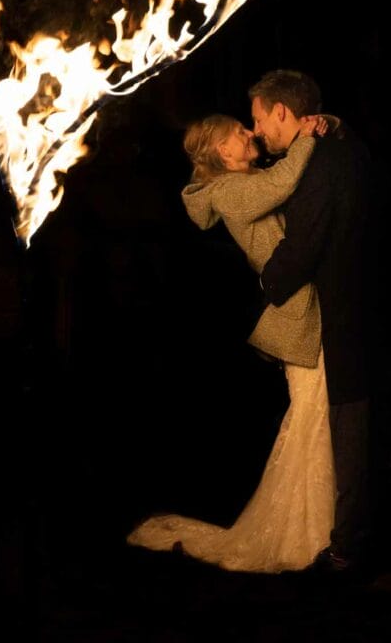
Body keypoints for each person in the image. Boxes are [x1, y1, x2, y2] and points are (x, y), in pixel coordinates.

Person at [127, 111, 337, 573]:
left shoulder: (244, 181)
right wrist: (303, 137)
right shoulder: (229, 191)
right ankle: (309, 536)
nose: (250, 133)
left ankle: (314, 530)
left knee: (314, 416)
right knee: (311, 417)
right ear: (223, 152)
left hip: (301, 308)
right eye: (240, 133)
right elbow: (281, 185)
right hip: (293, 313)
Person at [249, 69, 377, 576]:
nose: (257, 131)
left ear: (283, 112)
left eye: (259, 119)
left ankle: (347, 547)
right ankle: (342, 537)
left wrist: (267, 284)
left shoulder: (321, 164)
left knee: (350, 431)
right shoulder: (344, 146)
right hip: (360, 312)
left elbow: (304, 244)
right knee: (351, 427)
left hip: (344, 317)